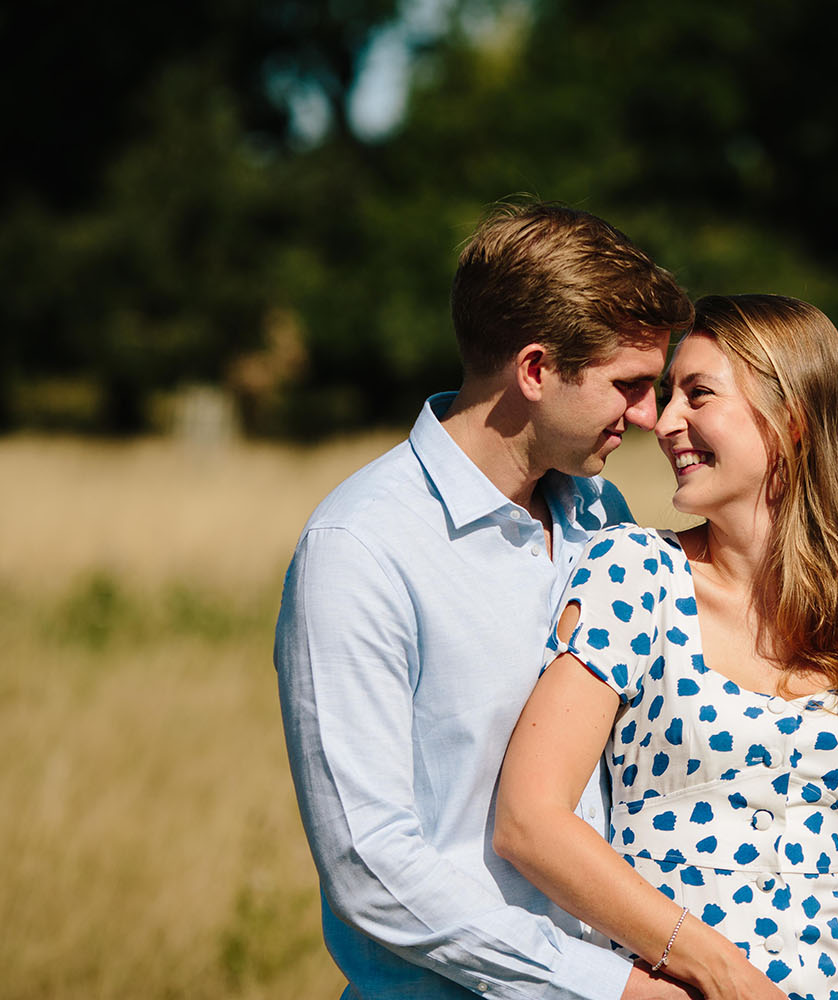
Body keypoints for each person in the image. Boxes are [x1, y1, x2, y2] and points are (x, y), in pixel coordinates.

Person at [275, 203, 707, 1000]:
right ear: (536, 371)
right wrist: (604, 989)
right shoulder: (362, 549)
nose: (650, 416)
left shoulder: (603, 519)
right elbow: (369, 866)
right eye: (630, 385)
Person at [494, 294, 838, 1000]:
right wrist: (715, 970)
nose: (664, 422)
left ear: (792, 420)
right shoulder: (634, 578)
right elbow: (529, 820)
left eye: (699, 394)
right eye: (667, 393)